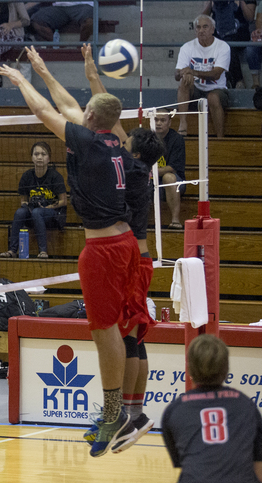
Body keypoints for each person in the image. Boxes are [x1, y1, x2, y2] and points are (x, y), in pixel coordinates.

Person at [0, 51, 164, 458]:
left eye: (83, 111)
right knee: (120, 330)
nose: (79, 112)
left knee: (103, 329)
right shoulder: (116, 145)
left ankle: (114, 413)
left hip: (105, 247)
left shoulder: (88, 141)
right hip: (125, 243)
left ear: (90, 117)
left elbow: (45, 110)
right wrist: (43, 71)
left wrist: (21, 81)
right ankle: (124, 410)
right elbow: (70, 105)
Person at [44, 44, 162, 449]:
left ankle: (128, 414)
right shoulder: (131, 160)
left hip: (127, 252)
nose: (121, 138)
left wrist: (52, 73)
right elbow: (101, 116)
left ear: (134, 148)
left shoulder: (126, 162)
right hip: (133, 251)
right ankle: (131, 411)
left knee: (125, 335)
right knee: (131, 334)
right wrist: (92, 69)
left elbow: (100, 122)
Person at [161, 334, 262, 483]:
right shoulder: (246, 405)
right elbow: (259, 474)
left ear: (189, 369)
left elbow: (186, 464)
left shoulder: (174, 410)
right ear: (226, 369)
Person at [0, 142, 67, 259]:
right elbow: (24, 201)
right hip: (35, 213)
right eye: (36, 154)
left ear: (49, 158)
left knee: (37, 212)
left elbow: (63, 201)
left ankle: (43, 251)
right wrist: (26, 206)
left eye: (43, 154)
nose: (39, 157)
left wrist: (46, 208)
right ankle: (12, 250)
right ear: (32, 157)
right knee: (20, 212)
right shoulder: (27, 176)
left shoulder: (55, 176)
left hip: (53, 215)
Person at [176, 14, 231, 138]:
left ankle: (220, 138)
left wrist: (192, 72)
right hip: (195, 89)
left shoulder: (223, 46)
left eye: (205, 27)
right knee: (183, 82)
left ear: (212, 29)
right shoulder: (187, 47)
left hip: (217, 89)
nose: (201, 30)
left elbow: (216, 74)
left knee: (212, 97)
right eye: (198, 27)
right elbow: (176, 74)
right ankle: (183, 124)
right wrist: (184, 73)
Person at [202, 1, 256, 89]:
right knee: (216, 43)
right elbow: (203, 18)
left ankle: (237, 80)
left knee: (227, 45)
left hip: (239, 32)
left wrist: (241, 2)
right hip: (219, 32)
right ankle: (233, 80)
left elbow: (250, 17)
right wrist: (210, 3)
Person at [154, 108, 186, 228]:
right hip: (150, 181)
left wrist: (151, 172)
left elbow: (173, 168)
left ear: (169, 122)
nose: (158, 123)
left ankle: (175, 220)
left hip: (175, 182)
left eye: (162, 120)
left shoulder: (177, 139)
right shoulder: (145, 138)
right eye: (156, 120)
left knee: (168, 177)